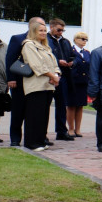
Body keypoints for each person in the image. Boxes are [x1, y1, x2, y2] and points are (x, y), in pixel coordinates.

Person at [5, 17, 46, 147]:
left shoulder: (44, 40)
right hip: (20, 80)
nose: (43, 29)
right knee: (18, 110)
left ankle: (37, 138)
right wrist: (11, 78)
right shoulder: (18, 39)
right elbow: (10, 59)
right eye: (40, 25)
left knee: (35, 111)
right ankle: (15, 138)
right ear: (31, 25)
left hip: (37, 82)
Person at [21, 21, 61, 151]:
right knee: (34, 115)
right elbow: (37, 65)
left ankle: (40, 141)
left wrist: (56, 74)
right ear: (33, 31)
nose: (43, 33)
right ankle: (31, 143)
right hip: (36, 85)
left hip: (48, 85)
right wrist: (52, 76)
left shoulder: (45, 47)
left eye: (45, 31)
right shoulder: (29, 45)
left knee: (43, 115)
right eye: (40, 31)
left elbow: (54, 63)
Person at [47, 18, 74, 141]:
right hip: (49, 76)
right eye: (58, 30)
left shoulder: (65, 41)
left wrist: (72, 62)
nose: (61, 32)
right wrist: (58, 61)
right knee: (45, 106)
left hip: (63, 77)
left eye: (63, 30)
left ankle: (61, 131)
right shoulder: (46, 40)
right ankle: (42, 133)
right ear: (51, 27)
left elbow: (72, 55)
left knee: (62, 105)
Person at [66, 32, 91, 138]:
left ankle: (78, 129)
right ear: (76, 39)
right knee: (71, 105)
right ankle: (71, 128)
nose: (84, 41)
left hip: (83, 82)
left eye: (86, 39)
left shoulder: (87, 53)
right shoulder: (70, 51)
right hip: (73, 82)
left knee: (80, 105)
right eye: (82, 39)